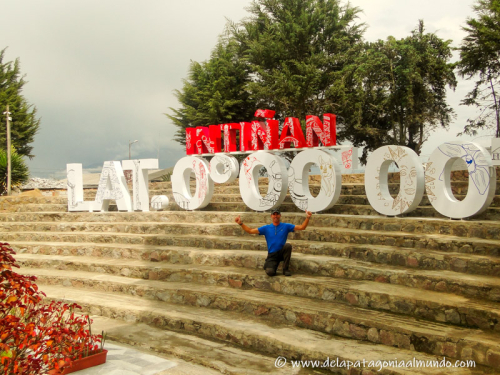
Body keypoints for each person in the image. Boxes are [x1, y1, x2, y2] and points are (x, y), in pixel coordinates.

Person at [235, 209, 313, 277]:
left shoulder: (286, 226)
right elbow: (250, 231)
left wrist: (308, 217)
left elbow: (302, 227)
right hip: (272, 255)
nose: (276, 216)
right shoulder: (266, 228)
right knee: (270, 272)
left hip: (282, 252)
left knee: (288, 246)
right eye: (274, 214)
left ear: (280, 215)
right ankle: (270, 265)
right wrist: (241, 223)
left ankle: (285, 269)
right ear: (271, 216)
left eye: (277, 214)